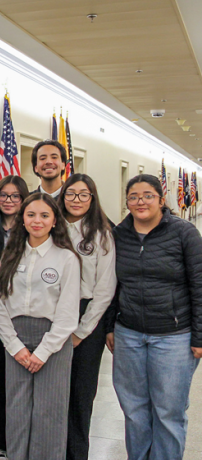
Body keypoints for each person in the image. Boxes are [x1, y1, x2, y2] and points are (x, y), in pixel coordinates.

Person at [107, 174, 202, 460]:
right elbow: (111, 284)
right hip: (129, 334)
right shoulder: (119, 234)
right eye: (134, 196)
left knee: (168, 412)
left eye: (148, 195)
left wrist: (199, 334)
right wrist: (110, 327)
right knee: (134, 410)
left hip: (174, 337)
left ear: (161, 200)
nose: (140, 201)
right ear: (127, 202)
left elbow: (199, 283)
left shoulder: (184, 232)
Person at [0, 193, 80, 460]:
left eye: (44, 215)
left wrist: (44, 351)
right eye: (31, 215)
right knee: (17, 410)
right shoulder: (10, 254)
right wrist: (14, 346)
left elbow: (68, 314)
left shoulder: (66, 258)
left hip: (52, 343)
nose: (37, 221)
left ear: (55, 221)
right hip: (15, 340)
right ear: (22, 219)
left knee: (48, 412)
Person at [56, 174, 116, 460]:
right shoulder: (50, 226)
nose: (76, 200)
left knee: (81, 394)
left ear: (92, 198)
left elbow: (105, 289)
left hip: (87, 317)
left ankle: (76, 454)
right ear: (62, 196)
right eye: (71, 194)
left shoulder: (102, 233)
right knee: (53, 393)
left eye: (83, 194)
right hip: (51, 315)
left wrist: (81, 331)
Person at [0, 174, 29, 459]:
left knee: (18, 384)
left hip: (21, 315)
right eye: (4, 195)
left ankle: (23, 440)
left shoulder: (33, 228)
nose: (9, 200)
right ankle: (1, 443)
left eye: (15, 196)